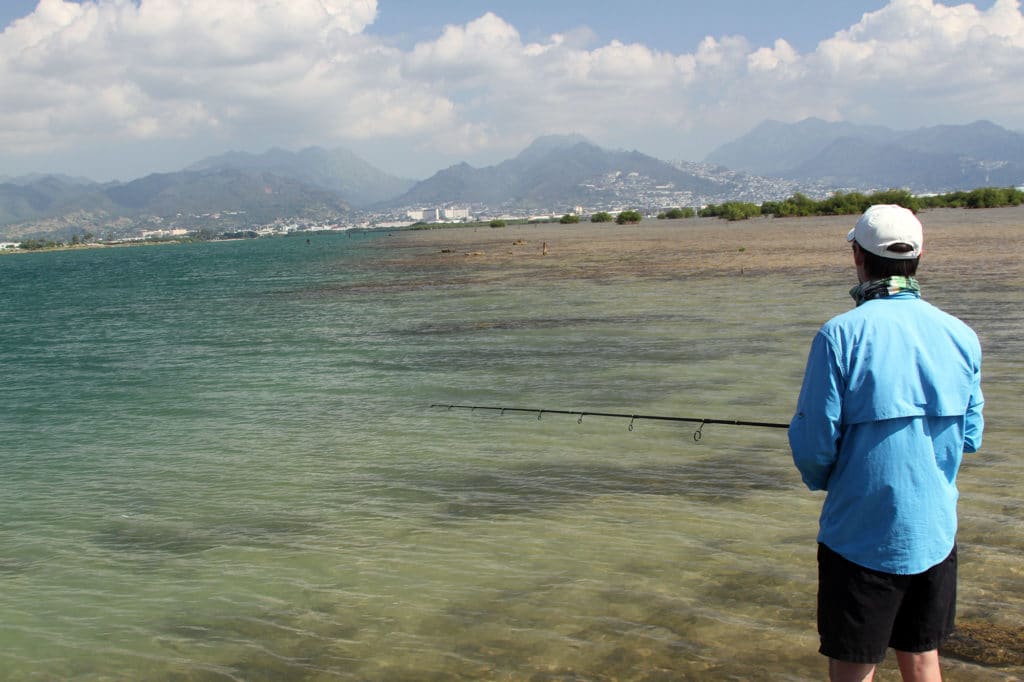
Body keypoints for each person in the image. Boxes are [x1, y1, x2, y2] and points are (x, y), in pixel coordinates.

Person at [789, 204, 984, 682]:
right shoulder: (962, 335)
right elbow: (973, 437)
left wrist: (828, 478)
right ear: (919, 256)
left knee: (854, 668)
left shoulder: (839, 336)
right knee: (922, 660)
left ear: (859, 256)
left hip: (859, 537)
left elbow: (815, 447)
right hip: (935, 533)